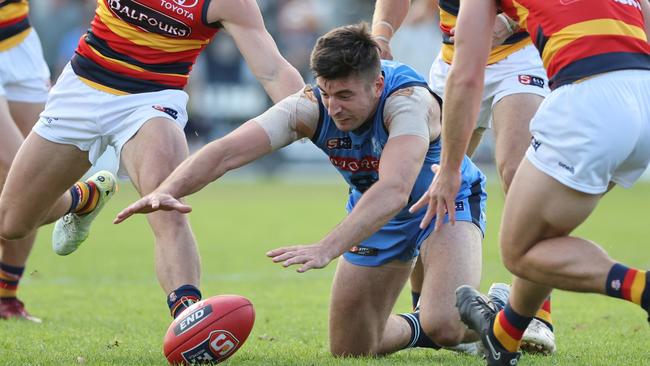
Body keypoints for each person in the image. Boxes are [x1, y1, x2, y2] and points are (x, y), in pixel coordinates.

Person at [115, 22, 528, 357]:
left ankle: (487, 316)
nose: (335, 107)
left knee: (447, 323)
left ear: (377, 84)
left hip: (441, 199)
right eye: (327, 93)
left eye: (346, 95)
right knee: (351, 350)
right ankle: (426, 329)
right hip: (374, 210)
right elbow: (225, 152)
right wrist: (167, 189)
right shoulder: (309, 107)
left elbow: (395, 190)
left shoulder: (408, 104)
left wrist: (326, 247)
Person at [0, 0, 304, 320]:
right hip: (82, 87)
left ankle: (188, 316)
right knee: (12, 223)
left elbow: (272, 70)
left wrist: (310, 113)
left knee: (166, 205)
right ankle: (83, 198)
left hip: (152, 101)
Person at [410, 0, 650, 365]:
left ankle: (642, 289)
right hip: (642, 93)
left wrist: (449, 168)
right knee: (544, 238)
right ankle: (504, 338)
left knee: (521, 252)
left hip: (590, 100)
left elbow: (466, 75)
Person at [370, 0, 555, 354]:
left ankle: (535, 315)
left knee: (518, 171)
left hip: (519, 54)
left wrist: (509, 19)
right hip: (454, 58)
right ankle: (426, 313)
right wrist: (382, 33)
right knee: (420, 183)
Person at [0, 0, 50, 322]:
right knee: (15, 164)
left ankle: (6, 296)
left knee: (39, 173)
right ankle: (80, 200)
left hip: (19, 41)